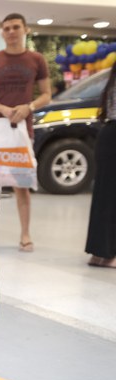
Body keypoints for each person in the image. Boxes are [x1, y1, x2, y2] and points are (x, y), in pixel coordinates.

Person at [0, 13, 51, 252]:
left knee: (21, 182)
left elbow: (46, 94)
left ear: (26, 29)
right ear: (2, 33)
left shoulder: (36, 60)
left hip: (20, 130)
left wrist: (29, 107)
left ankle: (25, 235)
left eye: (16, 27)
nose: (11, 31)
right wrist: (3, 109)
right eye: (6, 28)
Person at [84, 60, 116, 268]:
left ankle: (99, 252)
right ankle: (110, 253)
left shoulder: (112, 77)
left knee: (104, 194)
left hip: (108, 134)